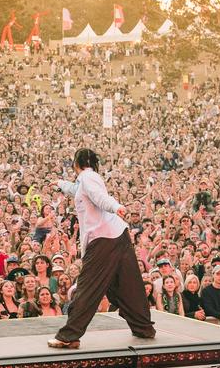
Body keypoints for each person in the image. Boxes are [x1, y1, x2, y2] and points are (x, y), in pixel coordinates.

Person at [48, 148, 155, 348]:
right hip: (118, 235)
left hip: (103, 238)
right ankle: (143, 327)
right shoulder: (86, 179)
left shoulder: (88, 178)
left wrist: (116, 207)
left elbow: (100, 198)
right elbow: (78, 190)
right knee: (128, 285)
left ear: (75, 164)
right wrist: (61, 184)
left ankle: (69, 335)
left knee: (88, 286)